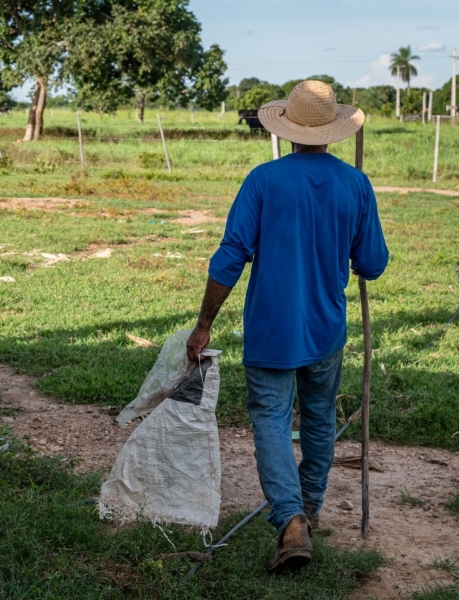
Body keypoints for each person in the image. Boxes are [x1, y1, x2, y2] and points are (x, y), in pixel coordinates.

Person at [185, 80, 389, 573]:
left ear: (288, 129)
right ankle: (308, 510)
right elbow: (373, 264)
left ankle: (292, 517)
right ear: (332, 131)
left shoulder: (263, 179)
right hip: (325, 330)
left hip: (270, 331)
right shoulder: (354, 184)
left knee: (273, 422)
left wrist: (204, 323)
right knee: (318, 420)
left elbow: (231, 255)